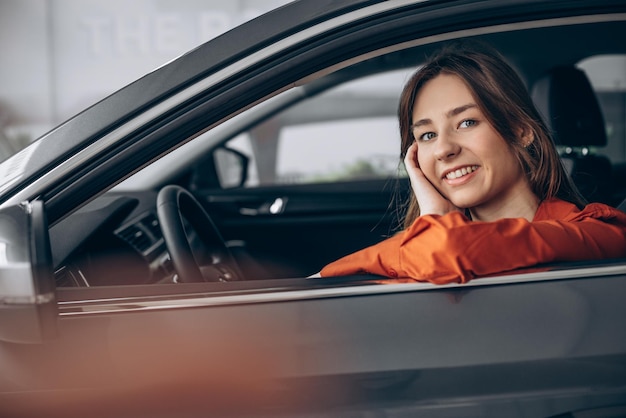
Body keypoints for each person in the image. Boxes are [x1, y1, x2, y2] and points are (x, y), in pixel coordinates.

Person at [318, 41, 626, 284]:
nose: (443, 149)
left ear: (521, 131)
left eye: (466, 123)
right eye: (426, 135)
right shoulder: (420, 249)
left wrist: (434, 218)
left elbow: (451, 249)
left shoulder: (598, 232)